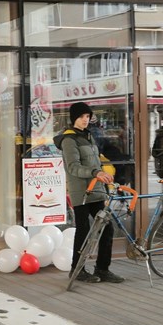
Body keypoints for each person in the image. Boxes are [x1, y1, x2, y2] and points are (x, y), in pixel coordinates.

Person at [54, 102, 124, 284]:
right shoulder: (69, 140)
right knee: (84, 230)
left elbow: (95, 163)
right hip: (81, 192)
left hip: (96, 190)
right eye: (81, 117)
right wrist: (95, 173)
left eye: (87, 116)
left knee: (107, 228)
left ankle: (103, 268)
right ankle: (77, 270)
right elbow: (73, 167)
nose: (85, 120)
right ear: (74, 118)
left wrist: (104, 175)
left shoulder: (89, 137)